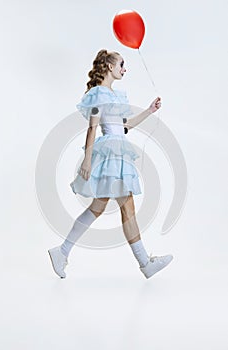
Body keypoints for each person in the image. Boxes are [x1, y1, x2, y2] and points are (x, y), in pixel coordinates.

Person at [48, 49, 173, 279]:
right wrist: (87, 159)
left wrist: (149, 110)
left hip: (118, 151)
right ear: (109, 67)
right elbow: (93, 127)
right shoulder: (98, 94)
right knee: (127, 206)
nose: (124, 69)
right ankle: (145, 263)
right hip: (111, 155)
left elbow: (124, 127)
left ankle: (62, 251)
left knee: (98, 207)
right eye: (121, 64)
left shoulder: (115, 96)